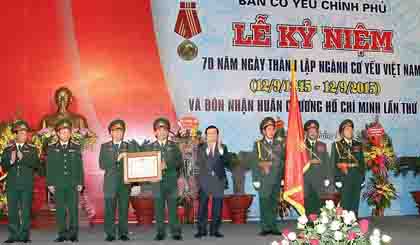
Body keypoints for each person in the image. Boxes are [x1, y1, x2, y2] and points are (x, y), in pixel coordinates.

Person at [1, 120, 39, 243]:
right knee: (12, 211)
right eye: (21, 133)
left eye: (25, 133)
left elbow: (36, 165)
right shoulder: (8, 149)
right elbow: (4, 166)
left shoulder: (32, 149)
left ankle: (24, 236)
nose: (24, 135)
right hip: (12, 184)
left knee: (25, 210)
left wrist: (24, 158)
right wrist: (11, 161)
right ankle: (13, 235)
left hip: (26, 184)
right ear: (15, 134)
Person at [144, 118, 183, 241]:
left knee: (173, 208)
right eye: (159, 130)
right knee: (159, 208)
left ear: (167, 132)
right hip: (156, 182)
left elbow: (179, 162)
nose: (162, 132)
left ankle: (175, 232)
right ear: (155, 132)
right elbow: (144, 163)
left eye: (165, 130)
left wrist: (167, 164)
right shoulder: (149, 147)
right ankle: (160, 232)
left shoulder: (174, 146)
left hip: (171, 181)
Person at [46, 119, 84, 242]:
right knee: (60, 210)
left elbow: (79, 166)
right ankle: (62, 234)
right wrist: (50, 183)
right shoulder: (52, 148)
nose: (65, 134)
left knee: (73, 210)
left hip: (72, 183)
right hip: (58, 184)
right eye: (62, 132)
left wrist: (80, 182)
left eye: (67, 132)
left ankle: (73, 234)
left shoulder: (76, 146)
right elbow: (49, 167)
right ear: (57, 133)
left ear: (70, 133)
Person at [99, 119, 133, 242]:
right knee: (109, 210)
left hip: (125, 183)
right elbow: (102, 165)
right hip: (110, 183)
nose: (118, 133)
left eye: (120, 131)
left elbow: (134, 165)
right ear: (110, 133)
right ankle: (110, 234)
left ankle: (123, 233)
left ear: (123, 133)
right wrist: (117, 159)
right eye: (115, 131)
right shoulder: (104, 147)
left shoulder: (129, 146)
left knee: (124, 209)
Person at [194, 125, 229, 239]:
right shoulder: (201, 147)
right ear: (206, 135)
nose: (212, 135)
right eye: (209, 133)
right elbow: (198, 163)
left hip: (218, 180)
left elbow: (227, 162)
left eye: (214, 133)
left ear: (217, 135)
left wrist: (221, 150)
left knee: (217, 207)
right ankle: (201, 230)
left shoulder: (223, 147)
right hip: (205, 181)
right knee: (202, 207)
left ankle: (215, 230)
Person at [252, 117, 284, 236]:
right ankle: (265, 227)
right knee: (264, 203)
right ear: (263, 131)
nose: (271, 131)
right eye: (268, 129)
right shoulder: (258, 144)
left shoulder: (279, 144)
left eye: (272, 129)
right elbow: (255, 163)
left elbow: (283, 162)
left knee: (274, 204)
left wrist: (283, 178)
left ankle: (273, 226)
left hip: (276, 178)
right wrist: (255, 179)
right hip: (264, 179)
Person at [330, 119, 365, 214]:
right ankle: (344, 225)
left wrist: (362, 178)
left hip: (356, 176)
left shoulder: (358, 145)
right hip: (344, 177)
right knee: (345, 203)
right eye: (346, 129)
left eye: (351, 129)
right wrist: (336, 180)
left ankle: (354, 222)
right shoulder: (337, 145)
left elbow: (362, 163)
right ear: (342, 132)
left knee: (355, 202)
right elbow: (333, 164)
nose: (349, 131)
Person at [303, 120, 331, 215]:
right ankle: (309, 226)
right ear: (306, 132)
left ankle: (319, 227)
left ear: (317, 132)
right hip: (305, 180)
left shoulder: (322, 145)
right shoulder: (301, 145)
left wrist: (327, 177)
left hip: (319, 181)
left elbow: (327, 162)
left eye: (314, 130)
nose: (312, 132)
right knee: (308, 206)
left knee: (319, 206)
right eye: (310, 130)